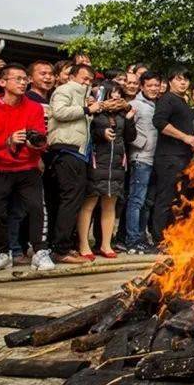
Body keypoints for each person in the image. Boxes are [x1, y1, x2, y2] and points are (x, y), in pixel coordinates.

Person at [46, 65, 118, 263]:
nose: (86, 83)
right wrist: (87, 109)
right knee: (70, 199)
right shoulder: (64, 90)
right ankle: (61, 249)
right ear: (71, 77)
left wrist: (90, 108)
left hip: (78, 152)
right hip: (66, 149)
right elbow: (59, 112)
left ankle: (63, 246)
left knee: (74, 199)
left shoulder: (81, 95)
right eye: (83, 78)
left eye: (89, 80)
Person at [0, 63, 54, 271]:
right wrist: (9, 141)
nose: (23, 83)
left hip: (27, 167)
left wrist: (34, 145)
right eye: (17, 79)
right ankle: (2, 253)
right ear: (2, 82)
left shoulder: (34, 107)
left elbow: (41, 138)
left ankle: (40, 252)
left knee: (37, 208)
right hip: (0, 168)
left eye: (24, 79)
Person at [77, 84, 135, 260]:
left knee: (110, 205)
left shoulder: (123, 114)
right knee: (89, 203)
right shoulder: (96, 111)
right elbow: (88, 132)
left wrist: (130, 119)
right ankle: (84, 244)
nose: (116, 96)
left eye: (119, 93)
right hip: (97, 161)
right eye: (113, 92)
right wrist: (102, 133)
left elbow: (130, 137)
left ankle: (106, 244)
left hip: (117, 164)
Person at [151, 66, 194, 247]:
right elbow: (159, 122)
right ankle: (159, 240)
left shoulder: (183, 101)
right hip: (168, 157)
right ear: (170, 81)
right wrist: (185, 137)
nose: (183, 82)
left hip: (183, 158)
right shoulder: (167, 99)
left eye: (186, 79)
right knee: (165, 198)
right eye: (179, 79)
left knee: (179, 199)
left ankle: (173, 238)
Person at [126, 71, 160, 253]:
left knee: (147, 202)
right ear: (142, 87)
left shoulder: (159, 104)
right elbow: (127, 131)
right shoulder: (134, 104)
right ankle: (132, 240)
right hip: (140, 158)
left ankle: (142, 237)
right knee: (136, 201)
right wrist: (142, 144)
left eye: (156, 85)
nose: (153, 89)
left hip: (155, 159)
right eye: (150, 86)